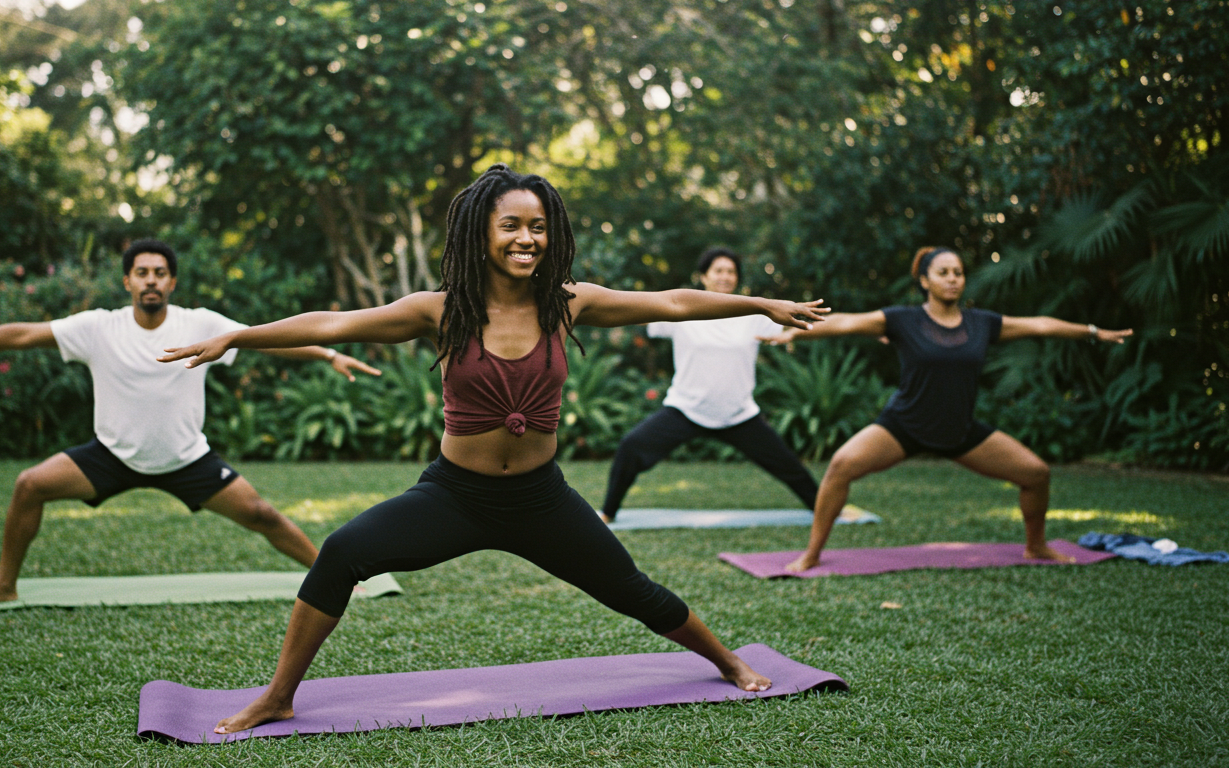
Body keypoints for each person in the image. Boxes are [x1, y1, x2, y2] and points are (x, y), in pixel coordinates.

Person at [159, 165, 831, 734]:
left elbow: (674, 302)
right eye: (511, 225)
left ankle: (728, 662)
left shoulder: (569, 303)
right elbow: (335, 322)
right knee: (342, 553)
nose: (527, 238)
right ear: (481, 232)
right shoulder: (441, 310)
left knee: (633, 591)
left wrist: (760, 303)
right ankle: (279, 695)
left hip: (540, 499)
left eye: (537, 226)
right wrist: (238, 336)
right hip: (456, 494)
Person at [0, 239, 380, 609]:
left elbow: (259, 339)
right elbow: (23, 334)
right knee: (30, 484)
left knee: (262, 514)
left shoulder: (199, 323)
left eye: (161, 273)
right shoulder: (98, 327)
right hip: (110, 456)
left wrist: (328, 353)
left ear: (172, 283)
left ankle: (331, 577)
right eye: (142, 273)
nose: (151, 280)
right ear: (127, 281)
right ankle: (4, 585)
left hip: (186, 458)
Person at [763, 247, 1132, 573]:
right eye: (944, 273)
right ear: (925, 281)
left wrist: (1094, 332)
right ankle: (812, 553)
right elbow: (845, 321)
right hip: (903, 426)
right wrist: (796, 332)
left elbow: (1039, 324)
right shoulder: (903, 320)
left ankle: (1036, 545)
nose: (953, 279)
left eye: (958, 272)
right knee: (841, 466)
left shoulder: (982, 324)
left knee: (1036, 474)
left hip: (960, 431)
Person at [600, 247, 819, 522]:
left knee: (787, 465)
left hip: (738, 413)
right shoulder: (682, 311)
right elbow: (640, 313)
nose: (725, 277)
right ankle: (608, 513)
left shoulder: (754, 315)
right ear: (703, 277)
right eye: (718, 271)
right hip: (686, 408)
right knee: (631, 448)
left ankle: (824, 508)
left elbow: (792, 330)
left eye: (731, 272)